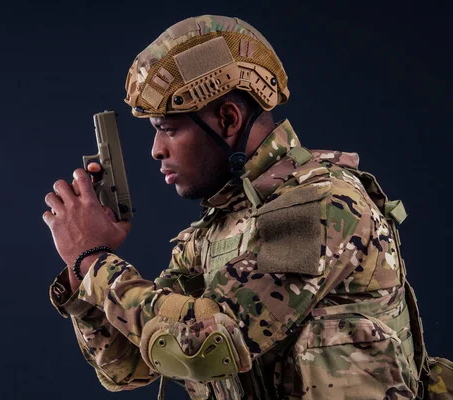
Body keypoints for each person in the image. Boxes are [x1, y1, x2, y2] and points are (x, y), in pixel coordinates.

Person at [42, 15, 450, 400]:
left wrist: (94, 261)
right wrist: (84, 274)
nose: (155, 150)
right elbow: (127, 366)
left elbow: (202, 348)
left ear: (228, 118)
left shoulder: (321, 205)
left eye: (168, 129)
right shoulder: (214, 231)